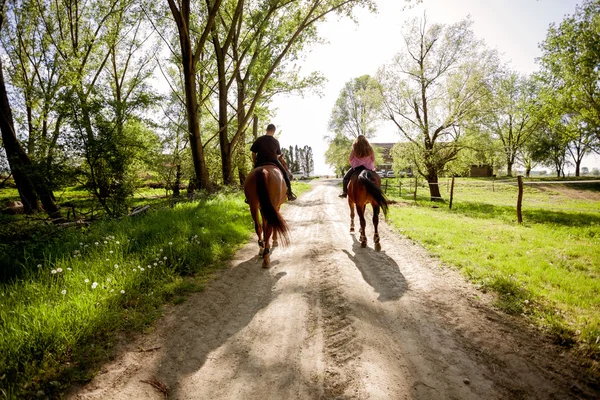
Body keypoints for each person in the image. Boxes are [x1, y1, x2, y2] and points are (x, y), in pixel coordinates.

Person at [250, 123, 297, 201]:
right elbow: (278, 156)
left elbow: (253, 153)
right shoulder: (275, 141)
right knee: (285, 174)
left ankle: (249, 197)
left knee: (251, 177)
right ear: (274, 131)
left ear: (266, 130)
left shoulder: (259, 139)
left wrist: (255, 163)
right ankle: (290, 194)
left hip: (260, 161)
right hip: (274, 161)